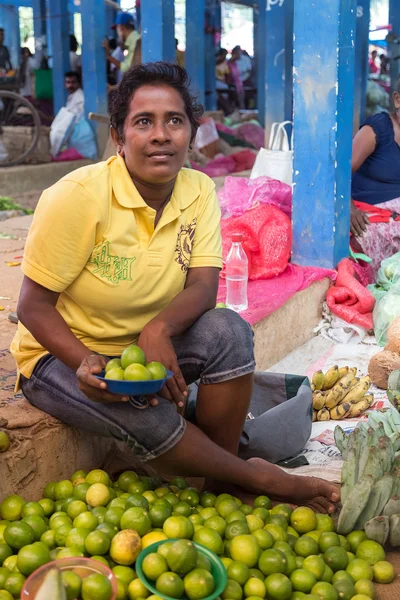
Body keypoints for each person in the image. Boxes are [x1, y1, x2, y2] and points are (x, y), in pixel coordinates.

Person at [11, 62, 339, 512]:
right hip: (63, 356)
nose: (161, 135)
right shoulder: (78, 197)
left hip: (141, 348)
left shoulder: (198, 190)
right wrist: (86, 360)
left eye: (175, 121)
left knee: (228, 330)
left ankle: (218, 488)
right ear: (119, 136)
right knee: (145, 413)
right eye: (143, 122)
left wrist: (158, 329)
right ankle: (255, 477)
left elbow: (204, 286)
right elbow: (33, 306)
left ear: (191, 133)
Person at [351, 81, 400, 278]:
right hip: (370, 221)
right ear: (398, 100)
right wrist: (349, 208)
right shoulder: (378, 128)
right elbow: (340, 171)